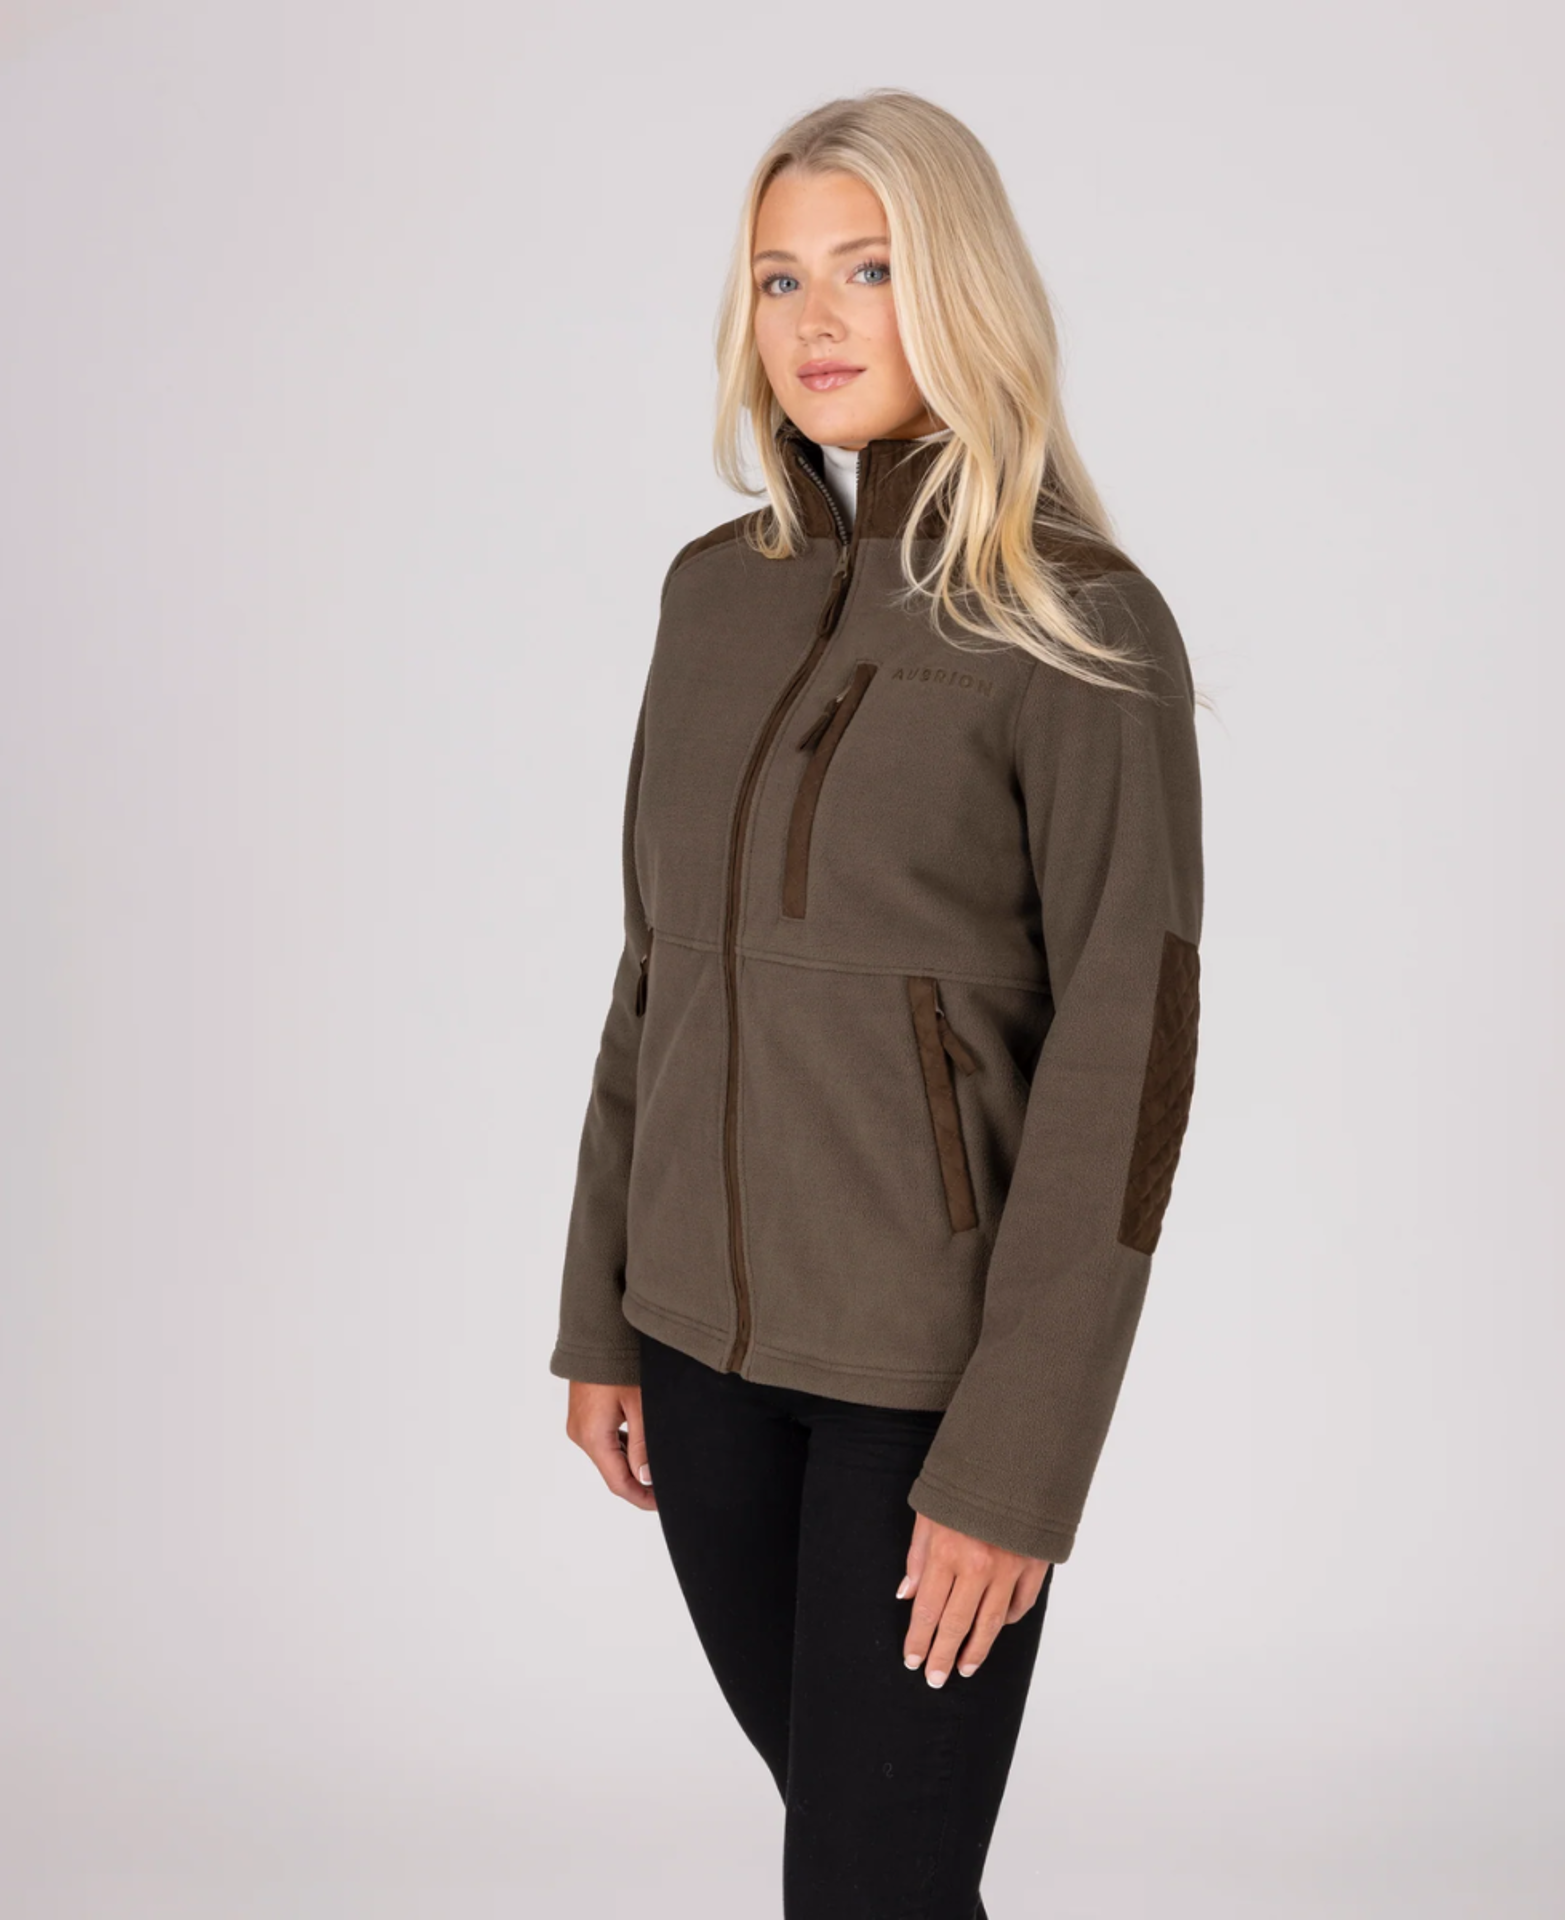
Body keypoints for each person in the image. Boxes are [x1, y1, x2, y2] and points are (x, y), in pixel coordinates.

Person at [551, 86, 1206, 1920]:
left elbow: (1128, 1062)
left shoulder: (1073, 620)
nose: (815, 318)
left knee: (872, 1885)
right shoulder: (712, 600)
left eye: (869, 268)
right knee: (869, 1872)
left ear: (963, 287)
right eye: (779, 277)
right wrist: (602, 1309)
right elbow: (653, 969)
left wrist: (1019, 1462)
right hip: (698, 1366)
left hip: (925, 1393)